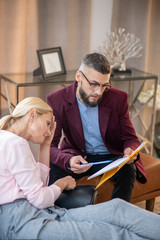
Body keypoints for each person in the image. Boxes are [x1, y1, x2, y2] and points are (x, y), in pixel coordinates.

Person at [0, 96, 160, 240]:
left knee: (116, 208)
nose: (49, 131)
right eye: (48, 124)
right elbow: (40, 199)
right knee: (112, 232)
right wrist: (62, 183)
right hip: (24, 222)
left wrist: (46, 145)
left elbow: (39, 187)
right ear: (32, 114)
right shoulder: (15, 143)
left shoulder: (10, 140)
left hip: (37, 212)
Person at [47, 52, 147, 202]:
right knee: (54, 167)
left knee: (127, 170)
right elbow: (50, 146)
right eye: (93, 84)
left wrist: (129, 150)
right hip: (77, 155)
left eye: (104, 85)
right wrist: (68, 160)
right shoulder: (57, 100)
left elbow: (130, 138)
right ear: (78, 77)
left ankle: (118, 215)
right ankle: (61, 214)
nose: (99, 92)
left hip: (111, 157)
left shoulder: (118, 99)